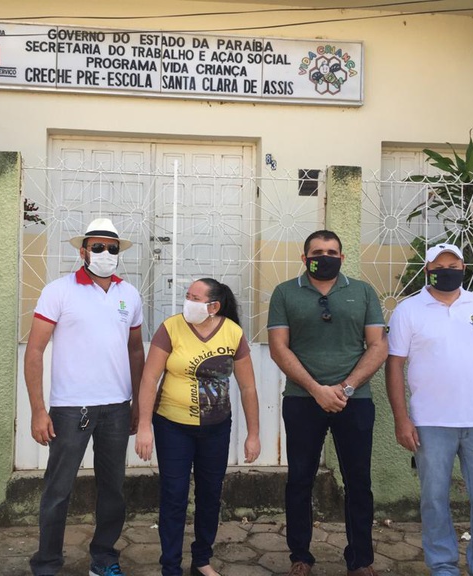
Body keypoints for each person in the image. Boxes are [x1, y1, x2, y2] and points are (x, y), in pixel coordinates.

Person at [385, 242, 473, 576]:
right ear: (428, 270)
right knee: (433, 500)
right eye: (440, 267)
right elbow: (394, 366)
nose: (447, 272)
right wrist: (402, 419)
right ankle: (443, 566)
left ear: (464, 268)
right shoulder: (408, 310)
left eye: (454, 266)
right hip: (430, 424)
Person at [26, 218, 145, 576]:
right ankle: (47, 564)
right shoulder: (58, 291)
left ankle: (104, 560)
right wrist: (38, 410)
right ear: (83, 252)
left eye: (112, 248)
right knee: (58, 490)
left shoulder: (129, 294)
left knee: (113, 490)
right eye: (98, 247)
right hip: (69, 408)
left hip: (116, 407)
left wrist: (138, 403)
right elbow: (34, 351)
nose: (106, 253)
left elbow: (135, 350)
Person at [267, 230, 388, 576]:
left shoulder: (363, 292)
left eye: (332, 252)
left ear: (342, 258)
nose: (325, 257)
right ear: (304, 258)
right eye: (318, 252)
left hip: (355, 401)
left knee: (358, 482)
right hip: (302, 400)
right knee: (299, 480)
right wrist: (316, 389)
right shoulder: (285, 292)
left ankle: (360, 560)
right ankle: (300, 557)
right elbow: (278, 347)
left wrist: (345, 388)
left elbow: (378, 346)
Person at [135, 278, 261, 576]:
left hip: (216, 429)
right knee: (174, 496)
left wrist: (253, 434)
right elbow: (149, 379)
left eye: (195, 297)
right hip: (172, 427)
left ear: (213, 306)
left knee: (210, 496)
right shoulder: (171, 328)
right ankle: (170, 567)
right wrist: (144, 425)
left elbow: (248, 388)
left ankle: (202, 560)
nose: (188, 302)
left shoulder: (232, 332)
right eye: (187, 296)